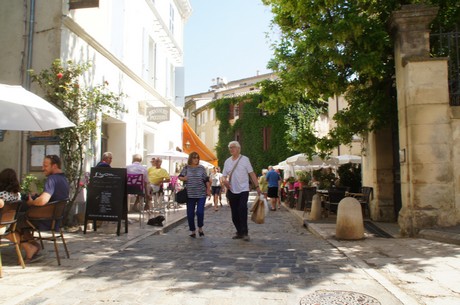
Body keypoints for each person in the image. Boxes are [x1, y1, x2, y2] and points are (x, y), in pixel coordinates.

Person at [221, 141, 261, 241]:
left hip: (243, 189)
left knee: (242, 209)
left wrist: (257, 187)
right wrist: (224, 181)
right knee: (234, 214)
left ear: (239, 149)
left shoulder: (245, 160)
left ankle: (245, 232)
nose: (231, 149)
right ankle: (239, 231)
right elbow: (223, 176)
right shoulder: (227, 161)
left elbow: (251, 174)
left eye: (233, 147)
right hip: (231, 190)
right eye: (230, 147)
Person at [178, 152, 210, 238]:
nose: (196, 159)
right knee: (190, 213)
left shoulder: (201, 168)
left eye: (197, 158)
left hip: (201, 193)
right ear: (190, 159)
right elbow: (180, 176)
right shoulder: (186, 168)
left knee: (200, 212)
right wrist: (184, 178)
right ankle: (192, 230)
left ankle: (200, 228)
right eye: (194, 158)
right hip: (190, 194)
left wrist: (208, 190)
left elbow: (206, 179)